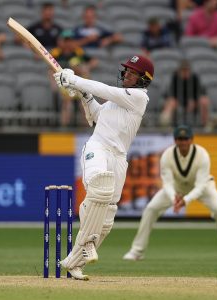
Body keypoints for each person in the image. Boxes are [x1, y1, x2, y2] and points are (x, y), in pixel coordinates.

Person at [53, 54, 154, 280]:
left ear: (143, 79)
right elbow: (97, 115)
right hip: (97, 147)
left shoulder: (138, 98)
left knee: (107, 217)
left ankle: (74, 262)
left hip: (119, 158)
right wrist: (83, 94)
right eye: (126, 70)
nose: (126, 74)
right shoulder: (119, 101)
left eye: (132, 72)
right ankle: (87, 242)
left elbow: (103, 89)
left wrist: (73, 80)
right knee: (100, 187)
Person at [123, 125, 217, 262]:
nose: (183, 142)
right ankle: (136, 251)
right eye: (180, 139)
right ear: (175, 140)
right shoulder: (167, 155)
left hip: (204, 187)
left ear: (191, 140)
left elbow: (201, 185)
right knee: (151, 209)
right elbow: (167, 183)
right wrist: (174, 198)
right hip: (177, 188)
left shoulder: (202, 154)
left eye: (186, 139)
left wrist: (186, 200)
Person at [51, 29, 98, 126]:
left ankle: (86, 129)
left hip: (78, 82)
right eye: (66, 40)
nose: (68, 43)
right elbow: (50, 68)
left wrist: (86, 67)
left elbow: (94, 61)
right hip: (64, 84)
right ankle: (64, 129)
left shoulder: (78, 52)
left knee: (84, 105)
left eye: (70, 40)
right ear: (62, 41)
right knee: (67, 104)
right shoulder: (56, 53)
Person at [160, 60, 210, 127]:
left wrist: (194, 102)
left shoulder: (194, 78)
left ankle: (205, 126)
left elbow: (202, 92)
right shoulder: (175, 78)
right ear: (179, 71)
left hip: (193, 104)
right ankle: (165, 125)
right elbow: (170, 94)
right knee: (170, 103)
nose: (185, 72)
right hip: (178, 103)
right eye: (183, 70)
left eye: (187, 70)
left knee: (204, 101)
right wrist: (175, 101)